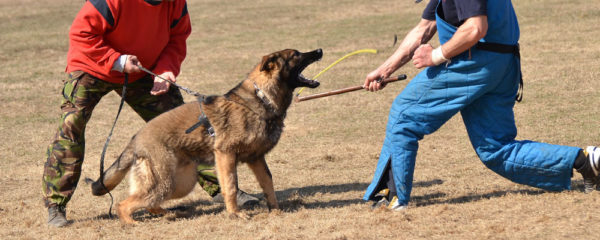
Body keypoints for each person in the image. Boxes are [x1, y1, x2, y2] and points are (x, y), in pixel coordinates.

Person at [362, 0, 600, 210]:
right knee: (495, 149)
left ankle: (390, 198)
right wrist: (385, 69)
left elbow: (476, 27)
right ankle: (584, 160)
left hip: (473, 62)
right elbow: (424, 28)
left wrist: (434, 57)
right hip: (503, 65)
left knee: (404, 116)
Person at [42, 0, 257, 227]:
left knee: (188, 127)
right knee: (71, 127)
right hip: (92, 66)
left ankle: (222, 190)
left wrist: (166, 68)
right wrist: (117, 60)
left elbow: (177, 37)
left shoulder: (175, 3)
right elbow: (81, 33)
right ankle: (56, 206)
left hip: (143, 68)